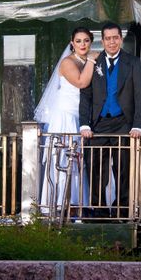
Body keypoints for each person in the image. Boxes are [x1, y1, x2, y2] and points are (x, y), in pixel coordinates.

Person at [79, 22, 141, 219]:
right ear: (102, 40)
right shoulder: (93, 62)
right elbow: (85, 95)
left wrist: (137, 125)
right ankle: (99, 210)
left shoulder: (133, 62)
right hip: (98, 123)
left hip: (123, 123)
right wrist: (85, 124)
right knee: (95, 168)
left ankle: (122, 209)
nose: (111, 42)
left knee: (123, 167)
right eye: (107, 38)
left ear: (121, 39)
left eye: (115, 38)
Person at [34, 27, 98, 215]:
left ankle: (76, 204)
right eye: (78, 41)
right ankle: (58, 204)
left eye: (86, 40)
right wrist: (94, 59)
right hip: (65, 117)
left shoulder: (86, 60)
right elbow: (80, 82)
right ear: (72, 43)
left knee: (77, 162)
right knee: (62, 159)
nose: (83, 44)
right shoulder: (67, 62)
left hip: (80, 117)